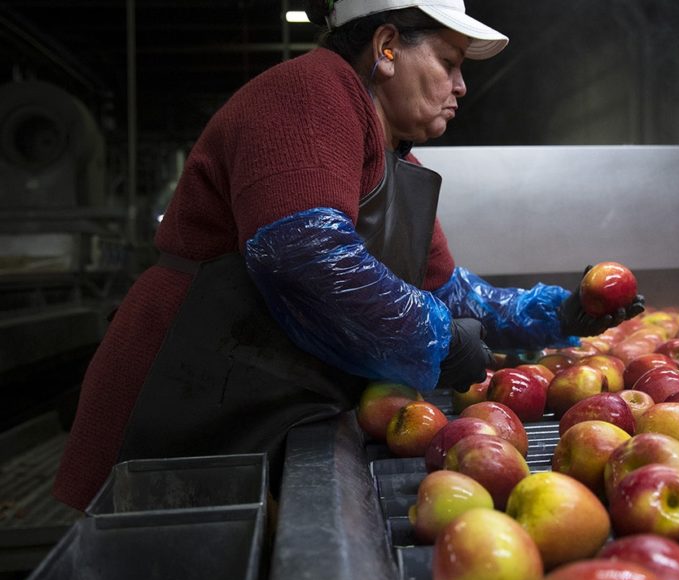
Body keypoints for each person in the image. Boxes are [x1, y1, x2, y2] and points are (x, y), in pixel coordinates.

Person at [53, 0, 644, 510]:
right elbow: (304, 254)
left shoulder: (395, 163)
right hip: (184, 397)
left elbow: (451, 292)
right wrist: (439, 342)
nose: (461, 86)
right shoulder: (311, 92)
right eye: (450, 62)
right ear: (386, 46)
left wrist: (561, 315)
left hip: (254, 398)